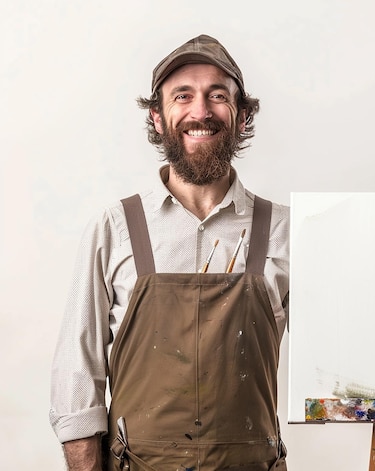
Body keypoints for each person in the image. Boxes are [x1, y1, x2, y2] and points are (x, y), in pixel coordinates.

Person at [49, 34, 289, 471]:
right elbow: (76, 374)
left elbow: (341, 348)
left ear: (242, 115)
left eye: (218, 95)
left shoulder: (283, 231)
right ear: (158, 117)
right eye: (183, 96)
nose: (201, 111)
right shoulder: (115, 228)